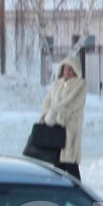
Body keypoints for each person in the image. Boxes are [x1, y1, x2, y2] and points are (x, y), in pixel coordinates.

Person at [38, 50, 88, 178]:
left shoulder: (80, 85)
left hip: (70, 128)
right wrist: (46, 114)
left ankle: (78, 193)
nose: (67, 72)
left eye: (71, 70)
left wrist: (55, 114)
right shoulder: (57, 84)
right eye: (65, 69)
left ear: (76, 71)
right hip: (55, 128)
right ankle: (59, 193)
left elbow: (72, 105)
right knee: (57, 165)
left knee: (70, 164)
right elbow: (47, 101)